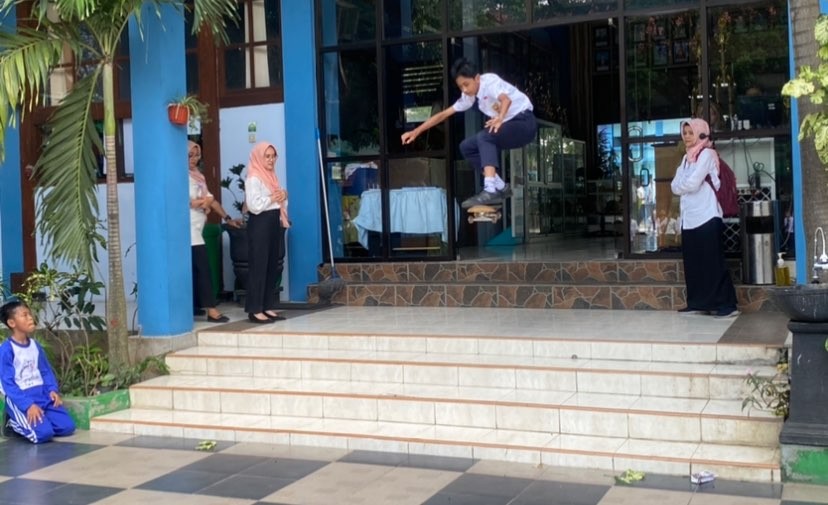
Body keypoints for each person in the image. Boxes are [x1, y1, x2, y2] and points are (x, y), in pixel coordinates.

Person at [401, 58, 537, 208]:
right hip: (510, 127)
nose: (464, 90)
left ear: (477, 78)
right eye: (461, 87)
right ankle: (500, 187)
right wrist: (416, 131)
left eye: (467, 84)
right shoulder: (468, 97)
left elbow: (505, 100)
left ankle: (490, 189)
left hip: (524, 122)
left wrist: (499, 118)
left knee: (486, 136)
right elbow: (443, 114)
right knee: (467, 147)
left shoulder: (490, 82)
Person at [671, 118, 739, 318]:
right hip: (690, 218)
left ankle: (727, 305)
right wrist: (684, 184)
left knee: (713, 263)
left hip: (708, 216)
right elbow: (674, 185)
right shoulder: (686, 158)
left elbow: (690, 184)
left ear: (701, 133)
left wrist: (683, 185)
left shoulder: (707, 154)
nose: (687, 137)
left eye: (690, 132)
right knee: (694, 264)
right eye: (685, 133)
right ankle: (698, 303)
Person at [0, 300, 75, 443]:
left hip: (42, 395)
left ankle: (41, 421)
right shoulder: (6, 350)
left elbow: (45, 371)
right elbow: (8, 384)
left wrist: (52, 390)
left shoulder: (35, 346)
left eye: (30, 314)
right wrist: (28, 405)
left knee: (67, 428)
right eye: (24, 315)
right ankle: (12, 423)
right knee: (42, 435)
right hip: (22, 398)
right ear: (12, 323)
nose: (30, 318)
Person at [188, 141, 239, 323]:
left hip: (198, 228)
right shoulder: (181, 176)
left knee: (194, 269)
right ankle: (211, 309)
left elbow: (212, 200)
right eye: (189, 156)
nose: (194, 159)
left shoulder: (198, 177)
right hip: (188, 230)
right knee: (203, 268)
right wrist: (204, 203)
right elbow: (185, 202)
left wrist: (227, 218)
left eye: (196, 155)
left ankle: (195, 306)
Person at [244, 142, 290, 324]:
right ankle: (255, 309)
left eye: (273, 156)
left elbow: (279, 202)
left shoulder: (271, 177)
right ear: (258, 157)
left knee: (271, 265)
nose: (271, 160)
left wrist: (283, 195)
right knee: (259, 266)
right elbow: (254, 205)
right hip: (260, 224)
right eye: (267, 156)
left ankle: (266, 305)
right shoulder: (254, 177)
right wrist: (274, 197)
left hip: (272, 222)